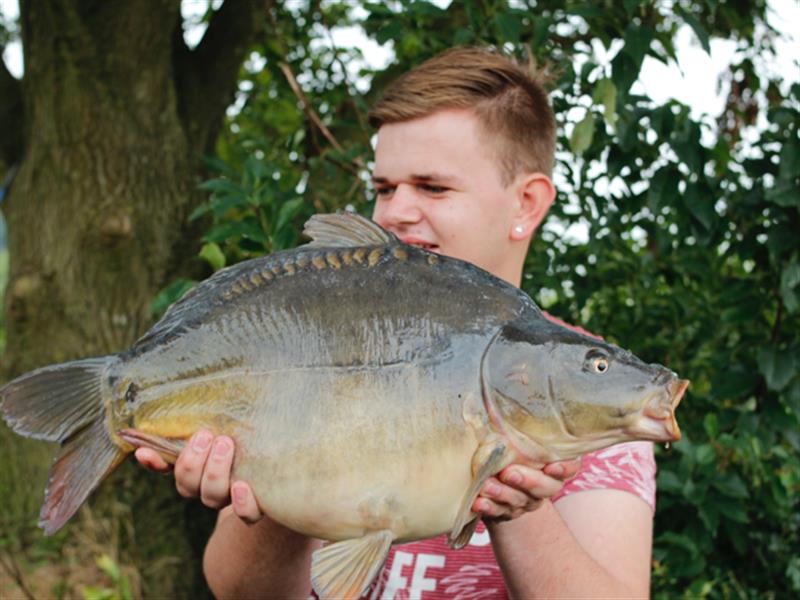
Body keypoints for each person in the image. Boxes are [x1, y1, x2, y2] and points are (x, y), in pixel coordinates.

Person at [136, 47, 656, 599]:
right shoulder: (317, 337)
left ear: (526, 204)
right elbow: (240, 592)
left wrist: (516, 499)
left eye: (433, 187)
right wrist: (277, 492)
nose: (394, 212)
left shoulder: (588, 391)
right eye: (385, 188)